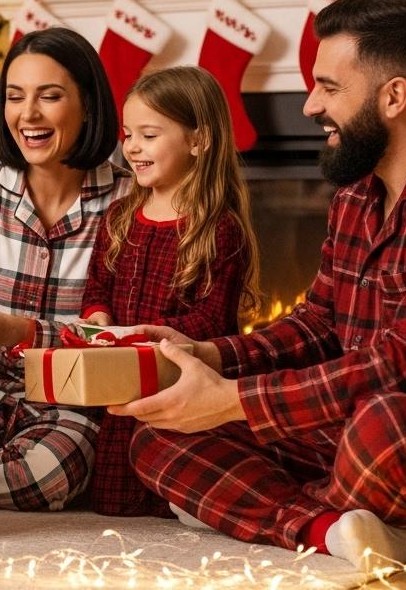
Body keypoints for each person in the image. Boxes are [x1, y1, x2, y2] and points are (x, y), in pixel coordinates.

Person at [114, 0, 406, 569]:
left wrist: (234, 402)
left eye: (329, 87)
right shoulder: (357, 194)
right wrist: (207, 354)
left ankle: (271, 508)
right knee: (162, 435)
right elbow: (318, 323)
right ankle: (334, 528)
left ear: (394, 97)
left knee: (385, 424)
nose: (311, 105)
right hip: (353, 430)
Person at [0, 26, 131, 511]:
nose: (28, 115)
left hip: (73, 401)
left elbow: (119, 337)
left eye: (50, 96)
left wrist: (14, 329)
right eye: (15, 97)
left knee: (44, 475)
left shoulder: (129, 199)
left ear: (88, 105)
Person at [80, 67, 261, 517]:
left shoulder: (218, 228)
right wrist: (99, 315)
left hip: (178, 379)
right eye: (128, 135)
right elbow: (97, 285)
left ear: (198, 141)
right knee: (114, 500)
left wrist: (151, 336)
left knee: (169, 475)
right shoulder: (120, 217)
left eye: (149, 135)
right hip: (120, 375)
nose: (132, 147)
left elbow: (213, 321)